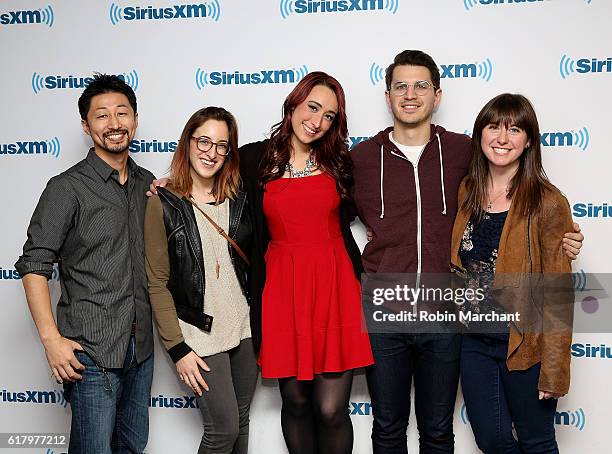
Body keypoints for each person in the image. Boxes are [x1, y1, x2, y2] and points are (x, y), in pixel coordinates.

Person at [351, 50, 583, 453]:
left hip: (448, 320)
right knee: (389, 430)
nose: (410, 94)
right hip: (389, 313)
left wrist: (566, 239)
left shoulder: (462, 154)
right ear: (387, 96)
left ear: (437, 95)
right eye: (400, 86)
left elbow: (548, 268)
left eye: (421, 85)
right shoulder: (362, 160)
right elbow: (321, 217)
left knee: (439, 432)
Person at [15, 74, 155, 453]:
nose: (114, 124)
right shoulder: (67, 187)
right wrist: (50, 340)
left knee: (131, 448)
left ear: (135, 120)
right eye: (102, 116)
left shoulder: (148, 184)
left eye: (122, 113)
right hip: (90, 353)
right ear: (86, 126)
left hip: (140, 350)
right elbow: (34, 265)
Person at [239, 71, 374, 454]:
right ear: (294, 104)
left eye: (329, 115)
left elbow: (368, 212)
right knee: (296, 402)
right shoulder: (253, 159)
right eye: (312, 107)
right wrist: (168, 183)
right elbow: (205, 178)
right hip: (282, 288)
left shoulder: (339, 162)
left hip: (335, 286)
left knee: (331, 409)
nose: (317, 122)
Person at [450, 93, 574, 453]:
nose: (502, 139)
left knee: (536, 442)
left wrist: (554, 369)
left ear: (529, 140)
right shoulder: (468, 190)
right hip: (475, 342)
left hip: (524, 344)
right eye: (494, 127)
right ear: (480, 135)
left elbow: (557, 293)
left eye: (514, 129)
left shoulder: (548, 203)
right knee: (492, 441)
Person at [144, 106, 258, 454]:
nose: (211, 152)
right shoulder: (162, 203)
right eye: (203, 141)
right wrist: (178, 349)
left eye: (221, 145)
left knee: (239, 422)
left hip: (244, 327)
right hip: (199, 333)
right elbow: (157, 283)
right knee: (221, 430)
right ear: (187, 143)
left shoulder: (240, 196)